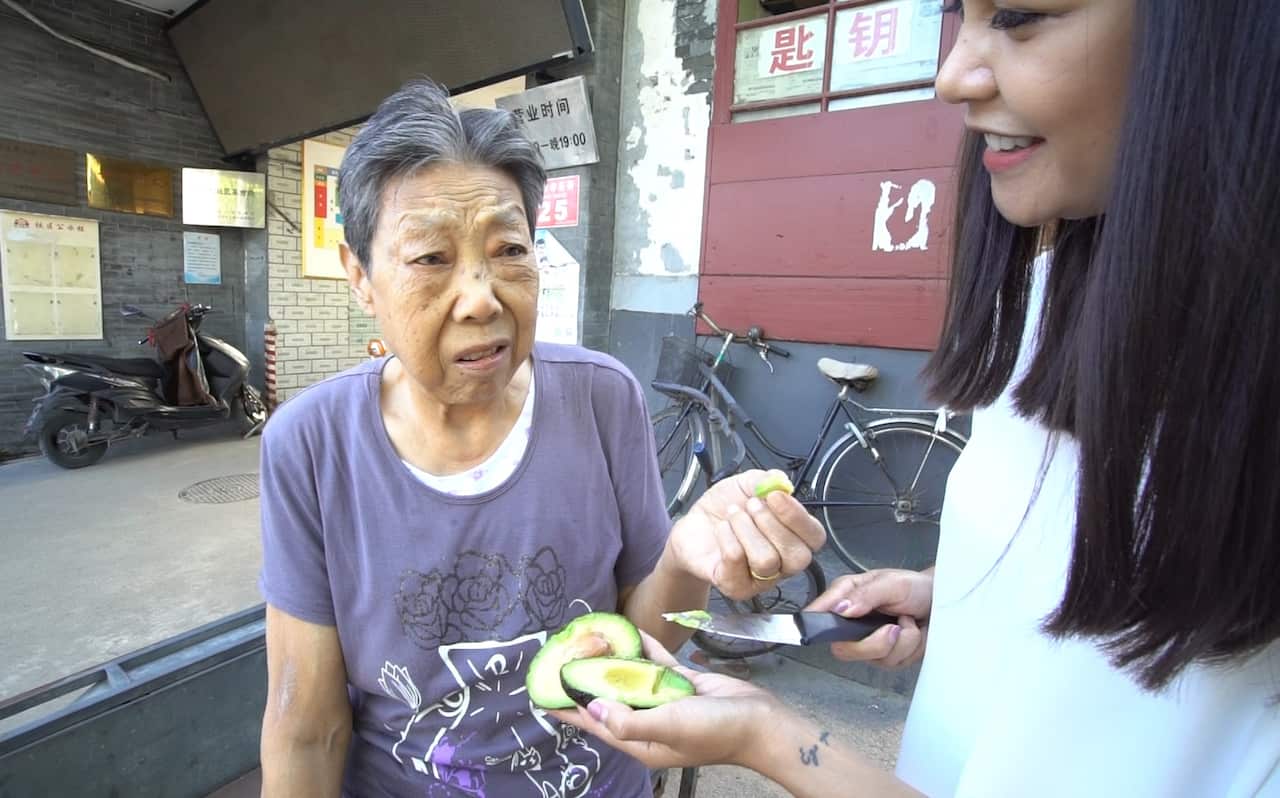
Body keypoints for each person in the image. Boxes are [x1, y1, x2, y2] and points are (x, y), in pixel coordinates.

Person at [553, 1, 1280, 795]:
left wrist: (767, 736)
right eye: (959, 12)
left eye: (1022, 15)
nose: (950, 76)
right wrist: (962, 598)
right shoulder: (1048, 304)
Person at [256, 79, 826, 797]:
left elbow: (642, 649)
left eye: (509, 251)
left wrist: (684, 556)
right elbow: (307, 725)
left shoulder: (601, 397)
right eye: (431, 259)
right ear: (360, 277)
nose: (481, 297)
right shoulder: (308, 446)